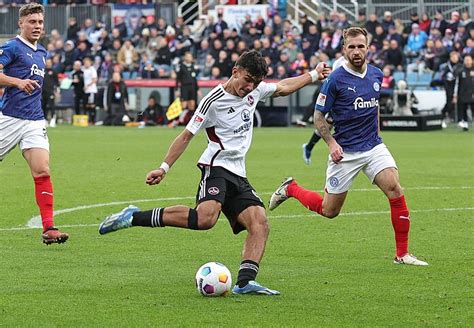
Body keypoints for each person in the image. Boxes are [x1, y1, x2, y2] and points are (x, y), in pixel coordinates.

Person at [98, 50, 331, 295]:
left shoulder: (255, 91)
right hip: (216, 166)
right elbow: (186, 135)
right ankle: (134, 216)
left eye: (256, 83)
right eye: (248, 79)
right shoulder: (212, 100)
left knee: (260, 222)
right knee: (205, 219)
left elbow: (283, 86)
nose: (250, 87)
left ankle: (244, 282)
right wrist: (164, 167)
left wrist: (314, 74)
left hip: (238, 172)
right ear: (235, 72)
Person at [269, 27, 428, 266]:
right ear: (344, 49)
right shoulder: (334, 79)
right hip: (346, 152)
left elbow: (374, 109)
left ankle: (402, 254)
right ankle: (291, 188)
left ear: (367, 48)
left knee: (395, 189)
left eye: (360, 46)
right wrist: (331, 143)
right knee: (329, 210)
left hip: (373, 147)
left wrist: (378, 138)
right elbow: (318, 117)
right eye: (351, 47)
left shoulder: (376, 75)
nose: (356, 51)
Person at [0, 3, 68, 244]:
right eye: (32, 22)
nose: (37, 26)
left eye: (40, 22)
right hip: (9, 118)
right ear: (21, 23)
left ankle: (49, 228)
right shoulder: (11, 47)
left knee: (42, 171)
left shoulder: (42, 52)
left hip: (34, 120)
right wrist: (17, 82)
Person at [301, 55, 346, 165]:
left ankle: (309, 146)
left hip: (349, 98)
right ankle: (338, 152)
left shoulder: (359, 60)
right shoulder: (340, 63)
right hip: (339, 97)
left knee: (329, 125)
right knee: (328, 124)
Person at [175, 52, 199, 125]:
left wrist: (198, 89)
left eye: (190, 57)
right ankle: (180, 120)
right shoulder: (181, 66)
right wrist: (177, 89)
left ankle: (191, 122)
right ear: (185, 58)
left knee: (192, 104)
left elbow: (195, 79)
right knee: (184, 105)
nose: (189, 58)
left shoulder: (193, 66)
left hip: (192, 87)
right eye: (188, 57)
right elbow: (177, 79)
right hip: (184, 87)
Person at [454, 54, 474, 131]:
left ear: (472, 61)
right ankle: (465, 124)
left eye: (469, 60)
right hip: (463, 94)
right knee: (464, 109)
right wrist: (455, 95)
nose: (467, 61)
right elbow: (456, 83)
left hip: (472, 93)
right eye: (466, 60)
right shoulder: (460, 71)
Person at [41, 57, 59, 128]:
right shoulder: (42, 71)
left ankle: (53, 119)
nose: (48, 64)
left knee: (52, 105)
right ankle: (44, 120)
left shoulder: (54, 71)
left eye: (49, 62)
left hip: (51, 91)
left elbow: (57, 82)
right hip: (43, 91)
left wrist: (57, 90)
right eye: (47, 62)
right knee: (43, 105)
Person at [82, 57, 98, 124]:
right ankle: (87, 120)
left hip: (91, 90)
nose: (86, 64)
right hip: (85, 90)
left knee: (92, 105)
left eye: (87, 62)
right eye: (85, 62)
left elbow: (94, 80)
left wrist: (87, 86)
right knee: (86, 105)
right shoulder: (83, 70)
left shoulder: (92, 70)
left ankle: (93, 120)